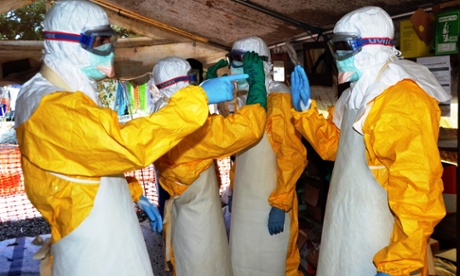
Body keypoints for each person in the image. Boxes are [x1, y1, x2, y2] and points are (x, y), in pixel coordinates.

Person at [13, 1, 246, 275]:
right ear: (64, 41)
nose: (109, 62)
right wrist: (200, 98)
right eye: (99, 43)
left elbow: (90, 160)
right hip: (92, 251)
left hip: (106, 230)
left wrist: (133, 193)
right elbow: (122, 145)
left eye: (110, 42)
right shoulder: (48, 105)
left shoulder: (63, 93)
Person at [290, 6, 451, 276]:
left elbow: (418, 191)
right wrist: (305, 112)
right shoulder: (353, 95)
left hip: (381, 238)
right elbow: (333, 147)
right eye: (335, 46)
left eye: (344, 46)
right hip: (344, 226)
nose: (338, 56)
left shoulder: (400, 100)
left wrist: (398, 263)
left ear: (372, 47)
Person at [151, 55, 267, 276]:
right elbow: (245, 130)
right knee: (205, 266)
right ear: (185, 82)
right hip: (198, 219)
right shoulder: (189, 127)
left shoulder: (162, 111)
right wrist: (257, 87)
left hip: (183, 212)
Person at [224, 36, 307, 276]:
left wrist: (280, 203)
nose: (235, 67)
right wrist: (233, 191)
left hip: (269, 199)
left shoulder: (278, 97)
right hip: (245, 202)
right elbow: (239, 154)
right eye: (234, 60)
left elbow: (291, 154)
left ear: (260, 64)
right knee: (241, 261)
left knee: (273, 263)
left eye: (242, 60)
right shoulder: (244, 100)